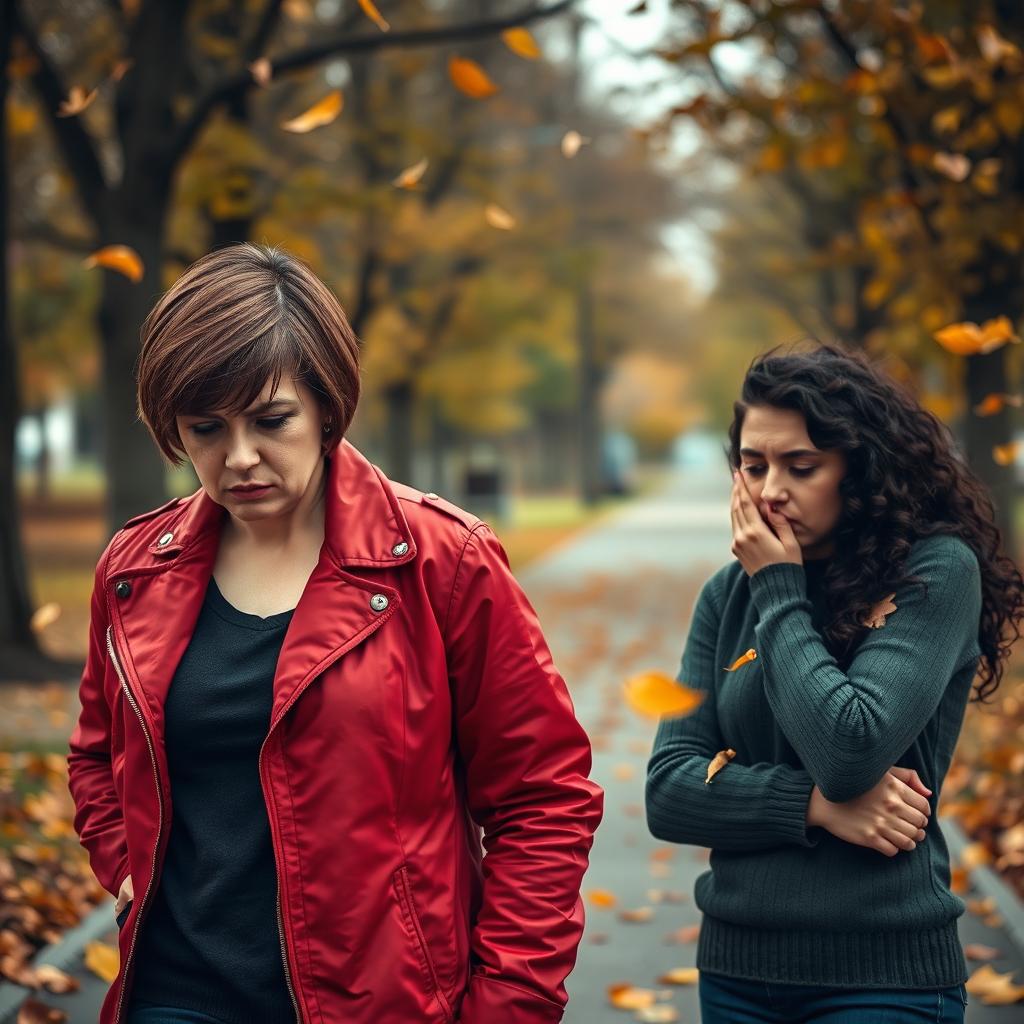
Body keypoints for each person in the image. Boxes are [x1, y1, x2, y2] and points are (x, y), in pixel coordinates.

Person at [67, 243, 604, 1024]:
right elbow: (95, 753)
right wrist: (123, 865)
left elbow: (543, 799)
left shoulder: (441, 561)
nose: (240, 456)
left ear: (326, 405)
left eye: (271, 419)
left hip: (380, 1001)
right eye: (206, 427)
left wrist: (510, 1002)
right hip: (172, 995)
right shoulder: (134, 570)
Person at [645, 342, 1024, 1023]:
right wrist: (813, 808)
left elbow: (850, 748)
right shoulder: (726, 595)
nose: (769, 491)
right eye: (753, 466)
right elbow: (669, 790)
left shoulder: (934, 573)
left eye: (801, 466)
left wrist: (778, 587)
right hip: (735, 972)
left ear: (861, 469)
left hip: (882, 978)